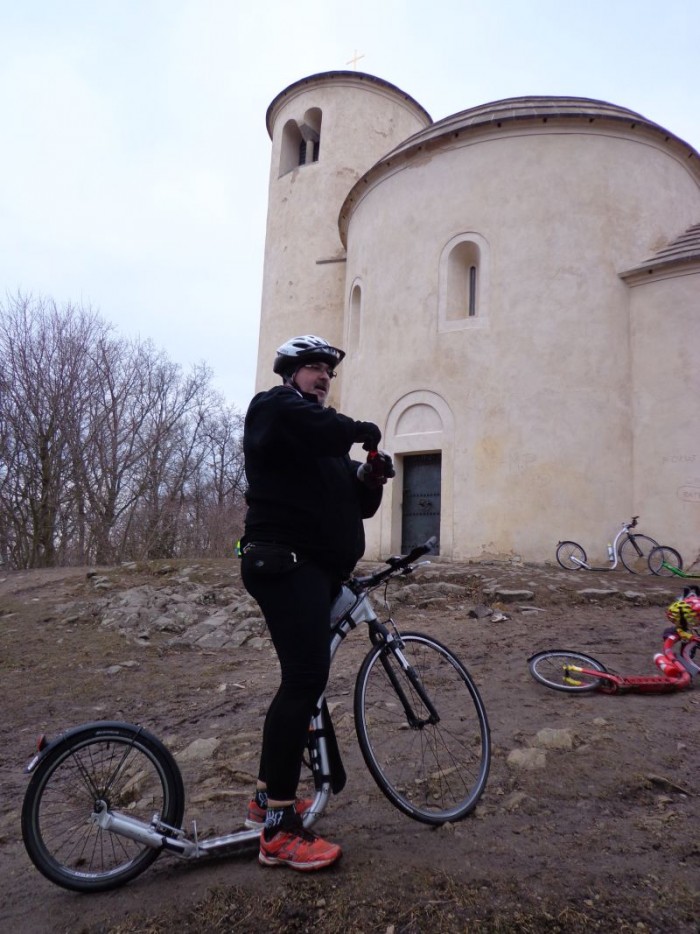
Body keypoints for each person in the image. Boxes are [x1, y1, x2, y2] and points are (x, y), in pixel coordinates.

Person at [238, 334, 395, 871]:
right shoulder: (275, 409)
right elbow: (317, 427)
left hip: (318, 569)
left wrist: (369, 478)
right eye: (311, 367)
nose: (322, 375)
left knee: (300, 683)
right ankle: (279, 832)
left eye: (327, 369)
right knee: (305, 680)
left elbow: (357, 505)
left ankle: (266, 801)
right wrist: (360, 432)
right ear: (290, 374)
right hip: (284, 561)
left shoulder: (323, 444)